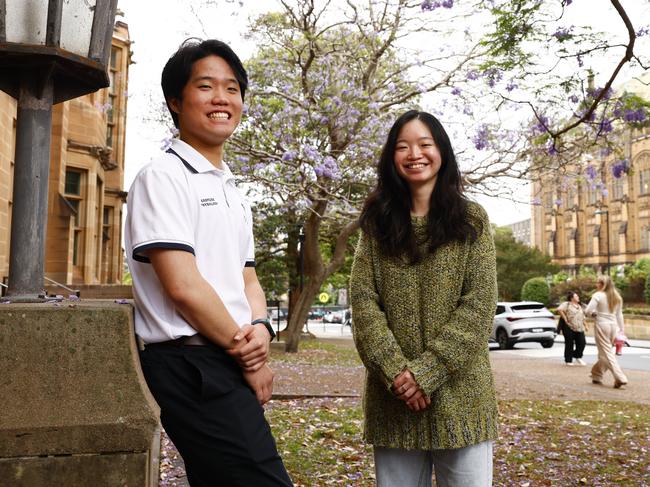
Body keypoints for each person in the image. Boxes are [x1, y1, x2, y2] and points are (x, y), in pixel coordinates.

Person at [125, 39, 293, 486]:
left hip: (226, 356)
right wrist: (253, 360)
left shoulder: (232, 190)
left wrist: (260, 327)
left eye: (233, 88)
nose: (222, 98)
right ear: (176, 102)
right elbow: (183, 286)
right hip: (190, 363)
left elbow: (247, 278)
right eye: (206, 86)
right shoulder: (162, 176)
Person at [350, 110, 498, 486]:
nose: (414, 154)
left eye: (424, 144)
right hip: (393, 403)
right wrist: (398, 375)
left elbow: (479, 305)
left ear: (442, 152)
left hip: (462, 399)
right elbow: (364, 303)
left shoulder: (472, 220)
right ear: (391, 157)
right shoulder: (376, 223)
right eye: (402, 147)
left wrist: (425, 374)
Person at [585, 276, 628, 389]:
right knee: (604, 352)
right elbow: (619, 315)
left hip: (602, 325)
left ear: (603, 284)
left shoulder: (598, 295)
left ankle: (620, 377)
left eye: (598, 283)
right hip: (614, 326)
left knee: (606, 353)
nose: (596, 285)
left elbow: (588, 311)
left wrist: (594, 314)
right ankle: (596, 375)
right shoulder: (617, 297)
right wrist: (622, 330)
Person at [557, 291, 587, 366]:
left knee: (582, 342)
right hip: (568, 327)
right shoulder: (567, 304)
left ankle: (577, 356)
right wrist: (565, 318)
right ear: (572, 298)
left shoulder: (580, 306)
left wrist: (586, 325)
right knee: (569, 343)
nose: (578, 297)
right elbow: (559, 309)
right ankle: (568, 360)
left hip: (579, 327)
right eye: (576, 296)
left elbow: (583, 317)